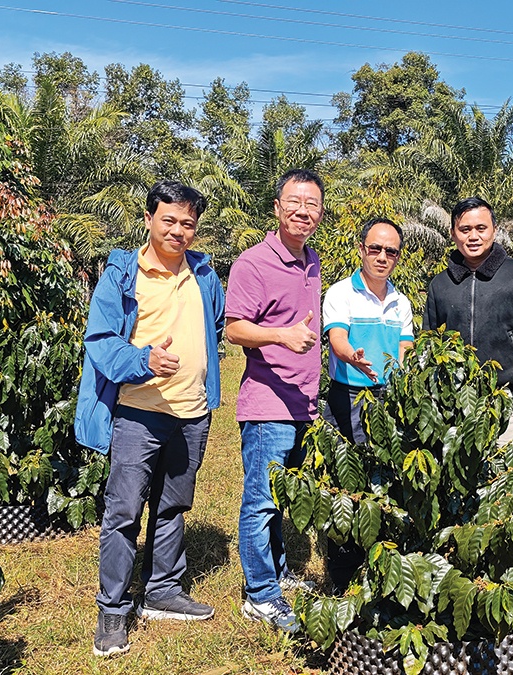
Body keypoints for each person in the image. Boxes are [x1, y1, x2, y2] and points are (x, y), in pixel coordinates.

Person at [74, 180, 225, 658]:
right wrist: (143, 361)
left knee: (173, 506)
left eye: (188, 223)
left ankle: (162, 590)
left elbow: (215, 325)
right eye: (169, 220)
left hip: (191, 411)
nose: (179, 230)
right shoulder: (123, 273)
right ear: (148, 219)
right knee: (123, 512)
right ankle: (112, 611)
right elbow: (100, 341)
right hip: (139, 412)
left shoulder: (204, 273)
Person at [225, 168, 325, 633]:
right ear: (277, 207)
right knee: (262, 501)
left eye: (313, 205)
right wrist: (281, 337)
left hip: (304, 403)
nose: (304, 211)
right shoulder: (252, 263)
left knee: (283, 498)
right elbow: (234, 328)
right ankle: (260, 595)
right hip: (268, 405)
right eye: (295, 202)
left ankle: (279, 572)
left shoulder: (313, 261)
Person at [423, 196, 513, 445]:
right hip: (453, 405)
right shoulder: (440, 285)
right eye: (465, 229)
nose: (473, 236)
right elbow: (429, 340)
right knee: (459, 479)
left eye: (481, 228)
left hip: (509, 403)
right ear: (453, 234)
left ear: (494, 231)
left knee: (510, 479)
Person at [320, 217, 414, 591]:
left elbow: (405, 348)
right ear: (361, 249)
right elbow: (337, 340)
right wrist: (351, 356)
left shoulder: (401, 302)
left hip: (388, 402)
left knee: (384, 480)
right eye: (374, 248)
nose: (381, 257)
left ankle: (378, 562)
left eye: (390, 251)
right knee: (345, 484)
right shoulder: (341, 294)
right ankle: (342, 572)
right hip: (348, 399)